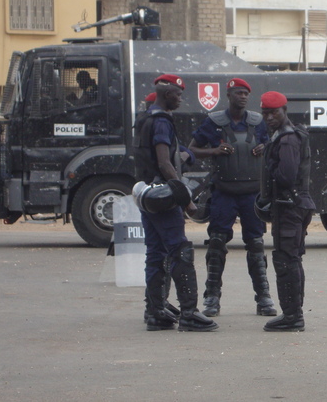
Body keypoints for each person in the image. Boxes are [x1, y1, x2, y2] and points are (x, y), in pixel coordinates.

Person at [133, 73, 218, 333]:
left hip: (147, 195)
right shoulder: (161, 121)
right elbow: (164, 162)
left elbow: (163, 156)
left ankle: (156, 311)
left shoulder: (144, 118)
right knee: (180, 251)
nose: (181, 100)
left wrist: (184, 155)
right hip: (164, 197)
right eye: (179, 95)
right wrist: (186, 201)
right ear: (168, 94)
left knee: (155, 253)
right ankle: (190, 313)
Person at [188, 78, 276, 318]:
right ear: (229, 95)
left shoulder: (257, 122)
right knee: (216, 243)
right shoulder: (215, 122)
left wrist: (264, 149)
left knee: (256, 244)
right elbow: (191, 149)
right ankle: (211, 298)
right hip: (224, 192)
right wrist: (213, 151)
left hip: (251, 194)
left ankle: (264, 297)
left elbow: (273, 147)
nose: (243, 96)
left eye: (246, 93)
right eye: (239, 92)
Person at [258, 91, 315, 332]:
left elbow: (286, 176)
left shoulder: (287, 139)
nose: (269, 118)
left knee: (286, 260)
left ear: (284, 111)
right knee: (291, 259)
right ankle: (293, 314)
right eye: (266, 113)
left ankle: (292, 316)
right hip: (293, 205)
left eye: (274, 113)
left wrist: (270, 168)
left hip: (289, 207)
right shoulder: (284, 136)